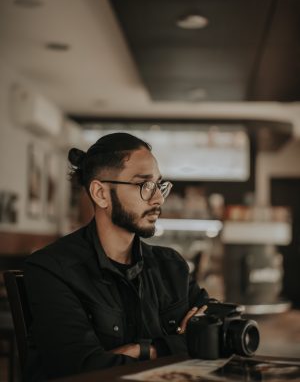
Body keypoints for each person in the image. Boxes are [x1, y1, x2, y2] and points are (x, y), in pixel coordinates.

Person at [24, 133, 209, 381]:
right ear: (100, 194)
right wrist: (182, 345)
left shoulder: (171, 265)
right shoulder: (51, 270)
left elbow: (223, 328)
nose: (159, 198)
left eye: (159, 185)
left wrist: (147, 350)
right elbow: (84, 369)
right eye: (145, 185)